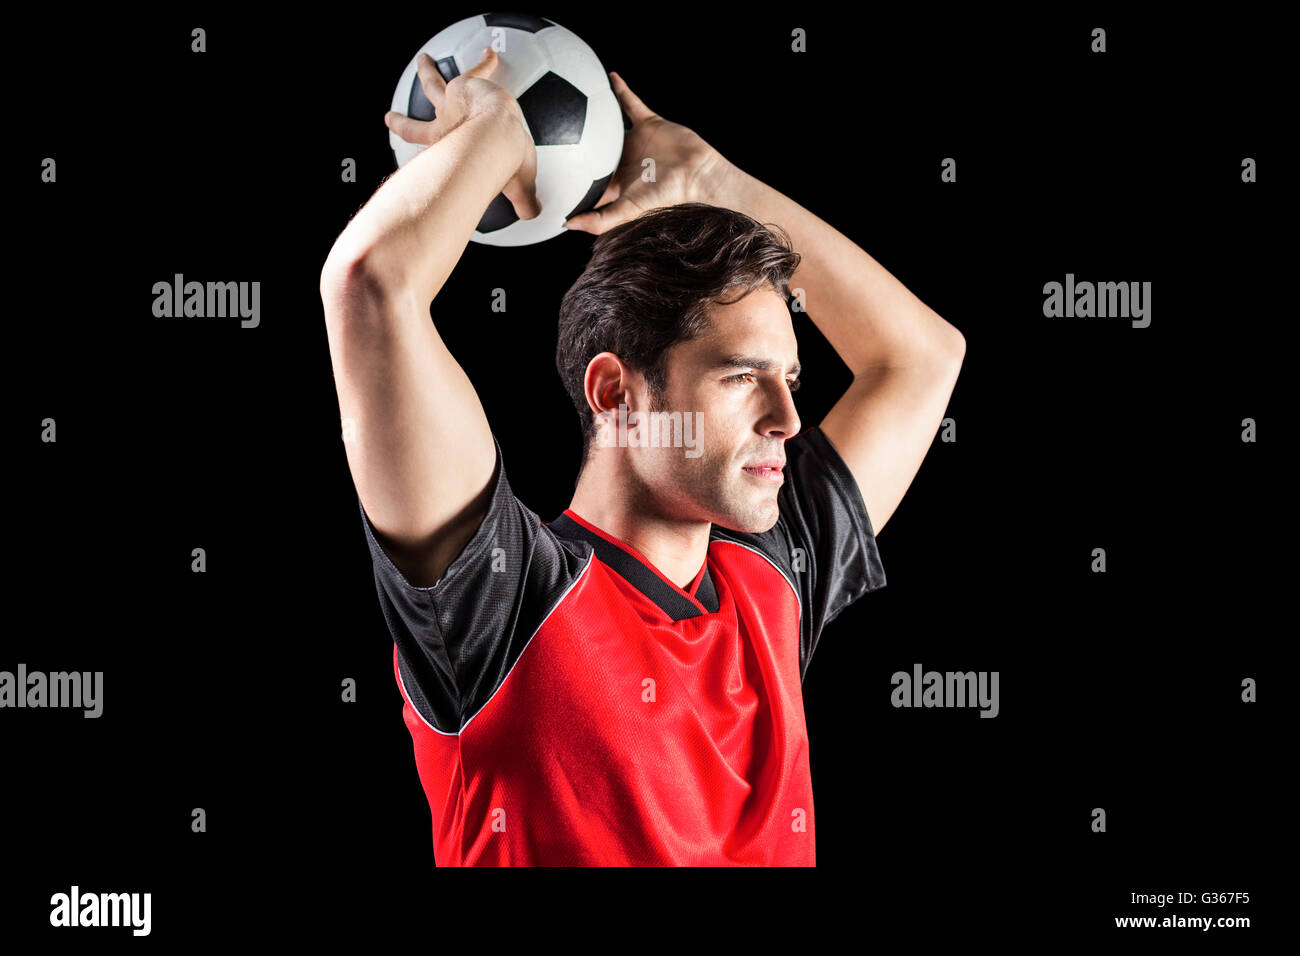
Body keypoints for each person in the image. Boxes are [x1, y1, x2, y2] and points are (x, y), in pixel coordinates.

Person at [319, 47, 966, 865]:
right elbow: (370, 285)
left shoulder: (773, 578)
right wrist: (496, 130)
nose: (789, 419)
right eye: (741, 377)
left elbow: (924, 358)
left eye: (791, 379)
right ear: (616, 393)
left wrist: (714, 182)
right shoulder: (505, 601)